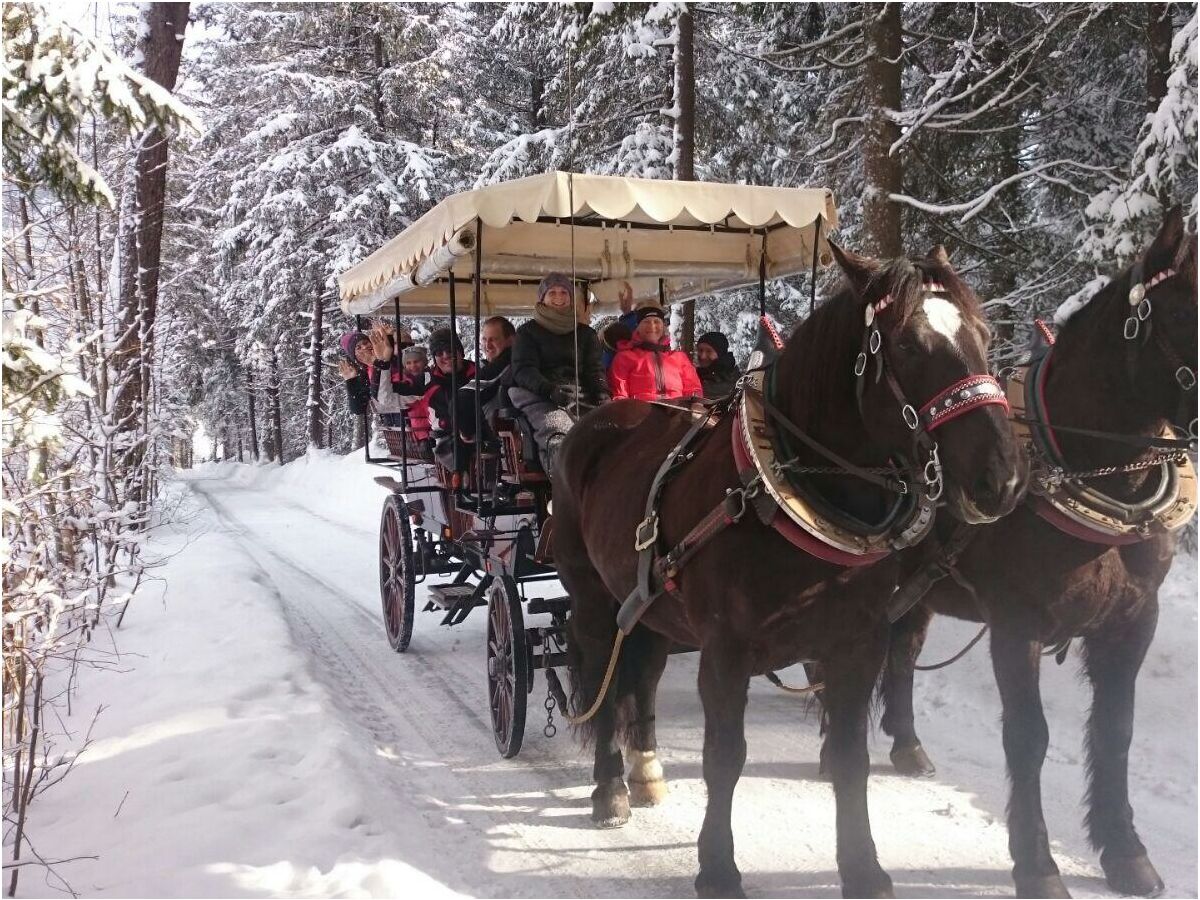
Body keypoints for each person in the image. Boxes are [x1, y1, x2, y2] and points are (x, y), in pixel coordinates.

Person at [510, 273, 609, 473]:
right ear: (542, 298)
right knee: (559, 432)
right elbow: (523, 369)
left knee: (607, 430)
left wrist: (601, 391)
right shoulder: (527, 333)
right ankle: (562, 484)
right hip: (541, 395)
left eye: (564, 292)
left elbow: (594, 368)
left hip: (581, 394)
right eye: (552, 292)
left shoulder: (585, 334)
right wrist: (548, 389)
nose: (558, 297)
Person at [607, 305, 703, 401]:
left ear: (663, 327)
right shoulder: (625, 357)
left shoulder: (679, 357)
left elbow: (692, 386)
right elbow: (619, 392)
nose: (652, 326)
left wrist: (696, 403)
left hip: (676, 409)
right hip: (640, 409)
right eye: (646, 322)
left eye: (657, 321)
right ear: (638, 328)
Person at [456, 316, 516, 442]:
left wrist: (469, 433)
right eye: (484, 339)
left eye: (494, 339)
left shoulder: (506, 365)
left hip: (501, 442)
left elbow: (460, 401)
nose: (487, 345)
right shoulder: (488, 366)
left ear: (510, 340)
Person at [695, 331, 740, 399]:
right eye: (700, 350)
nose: (702, 356)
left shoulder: (731, 378)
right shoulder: (696, 375)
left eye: (709, 351)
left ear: (720, 353)